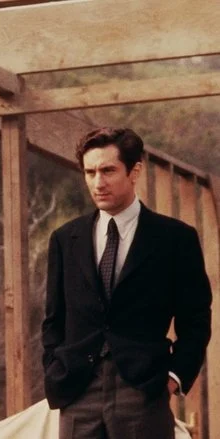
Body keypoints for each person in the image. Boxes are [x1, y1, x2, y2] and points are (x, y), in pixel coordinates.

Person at [41, 127, 212, 439]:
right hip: (78, 390)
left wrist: (173, 377)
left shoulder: (175, 239)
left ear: (135, 171)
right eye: (90, 172)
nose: (98, 182)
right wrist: (56, 369)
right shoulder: (65, 239)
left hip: (144, 389)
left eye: (108, 170)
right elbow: (54, 319)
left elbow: (196, 320)